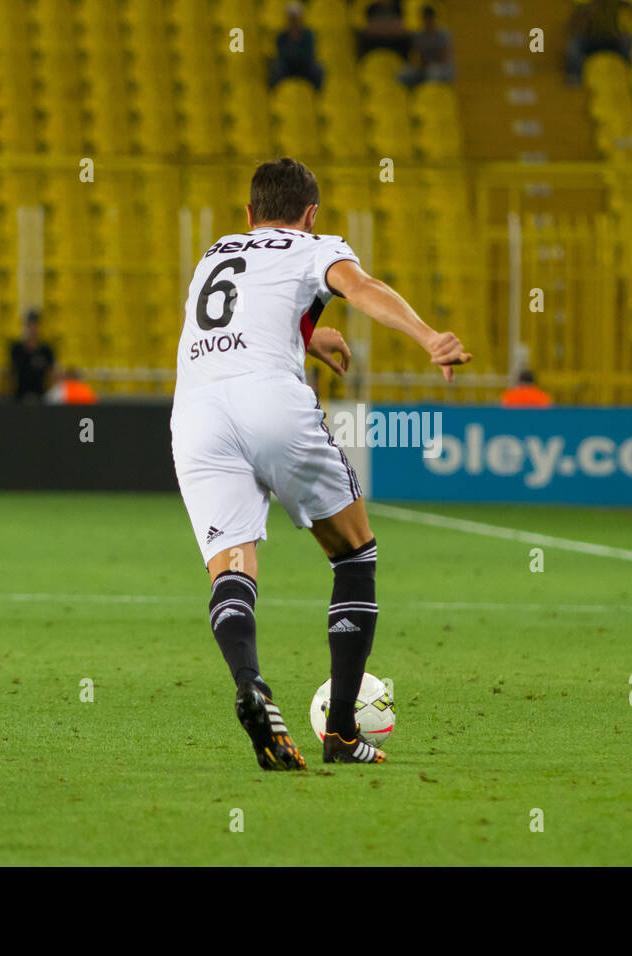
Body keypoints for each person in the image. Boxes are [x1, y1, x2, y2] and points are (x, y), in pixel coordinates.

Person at [170, 158, 470, 770]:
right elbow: (361, 288)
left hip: (195, 416)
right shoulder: (315, 245)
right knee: (354, 552)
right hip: (270, 402)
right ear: (312, 214)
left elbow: (235, 317)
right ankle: (340, 733)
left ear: (248, 214)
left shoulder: (213, 252)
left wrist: (307, 336)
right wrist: (427, 335)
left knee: (231, 564)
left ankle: (251, 685)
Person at [269, 3, 324, 90]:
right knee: (275, 69)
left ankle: (317, 96)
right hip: (288, 67)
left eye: (295, 18)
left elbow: (309, 54)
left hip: (305, 66)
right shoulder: (282, 36)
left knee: (318, 70)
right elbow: (281, 55)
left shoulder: (308, 35)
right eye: (291, 18)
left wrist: (293, 53)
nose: (294, 21)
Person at [398, 5, 454, 88]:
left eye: (429, 19)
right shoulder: (419, 35)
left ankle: (431, 98)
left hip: (441, 68)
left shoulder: (443, 35)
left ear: (433, 19)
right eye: (425, 19)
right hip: (424, 67)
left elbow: (444, 58)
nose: (427, 22)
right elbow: (416, 57)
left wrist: (429, 65)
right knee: (404, 75)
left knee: (433, 72)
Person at [5, 310, 55, 400]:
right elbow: (10, 374)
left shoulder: (46, 350)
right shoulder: (16, 349)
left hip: (41, 398)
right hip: (19, 398)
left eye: (35, 325)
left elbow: (51, 376)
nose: (32, 329)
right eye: (30, 325)